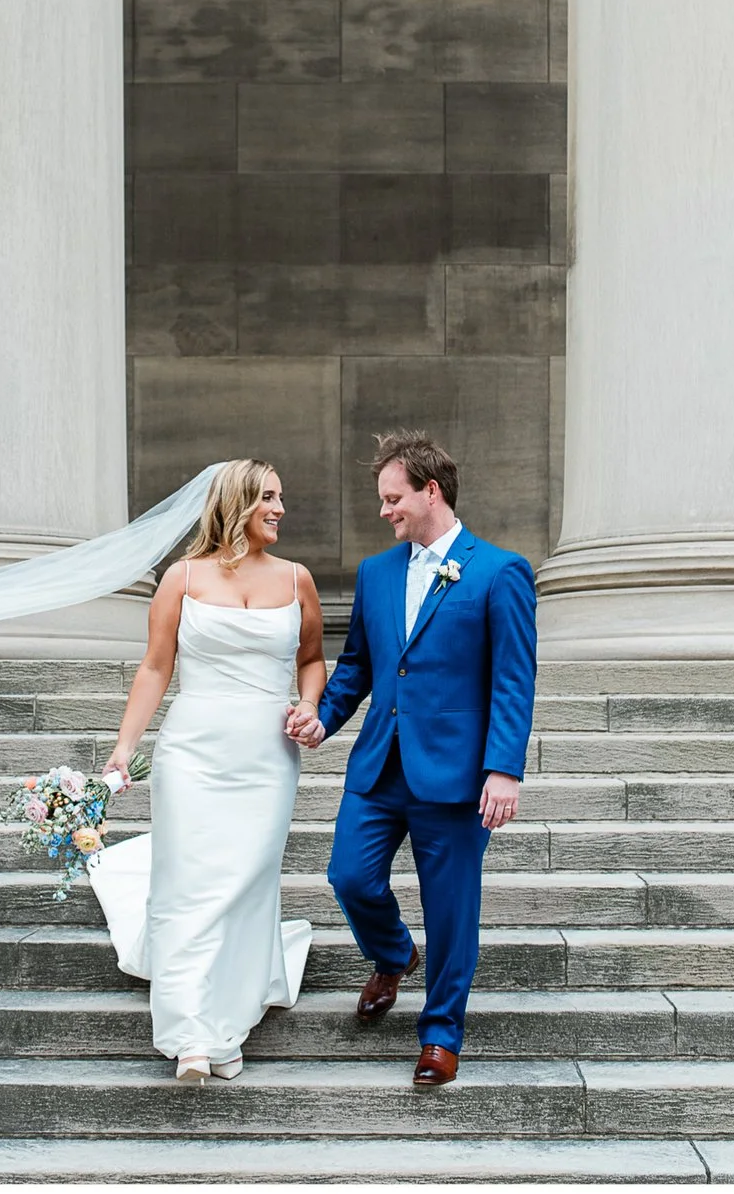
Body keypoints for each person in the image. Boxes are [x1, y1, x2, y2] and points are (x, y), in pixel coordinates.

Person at [285, 431, 536, 1087]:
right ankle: (395, 955)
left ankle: (441, 1035)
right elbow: (359, 666)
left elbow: (513, 680)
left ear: (431, 491)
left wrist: (504, 769)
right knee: (349, 876)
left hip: (456, 775)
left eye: (393, 498)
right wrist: (323, 717)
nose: (384, 511)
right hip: (379, 766)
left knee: (450, 909)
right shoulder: (376, 573)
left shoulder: (500, 571)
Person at [90, 461, 323, 1080]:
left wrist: (309, 704)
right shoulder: (183, 577)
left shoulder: (297, 579)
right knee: (189, 883)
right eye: (268, 497)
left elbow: (312, 659)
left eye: (280, 496)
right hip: (192, 751)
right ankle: (192, 1033)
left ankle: (230, 1018)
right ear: (237, 502)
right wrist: (124, 746)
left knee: (247, 881)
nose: (280, 508)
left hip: (267, 757)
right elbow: (155, 667)